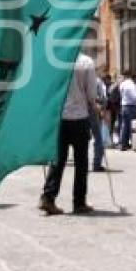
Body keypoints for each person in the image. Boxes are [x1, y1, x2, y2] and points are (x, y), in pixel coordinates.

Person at [39, 50, 98, 215]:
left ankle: (48, 197)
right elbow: (91, 94)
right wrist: (93, 104)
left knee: (57, 160)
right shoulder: (86, 62)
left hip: (59, 117)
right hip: (79, 117)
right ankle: (79, 202)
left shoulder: (55, 61)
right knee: (81, 163)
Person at [118, 71, 136, 150]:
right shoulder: (131, 85)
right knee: (132, 126)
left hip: (124, 106)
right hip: (131, 106)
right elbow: (135, 96)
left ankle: (123, 144)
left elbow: (121, 94)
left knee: (124, 126)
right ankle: (134, 144)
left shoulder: (123, 84)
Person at [89, 73, 106, 172]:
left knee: (81, 139)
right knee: (98, 138)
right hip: (93, 111)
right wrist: (102, 108)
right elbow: (102, 97)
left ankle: (81, 164)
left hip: (80, 111)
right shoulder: (97, 81)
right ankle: (96, 164)